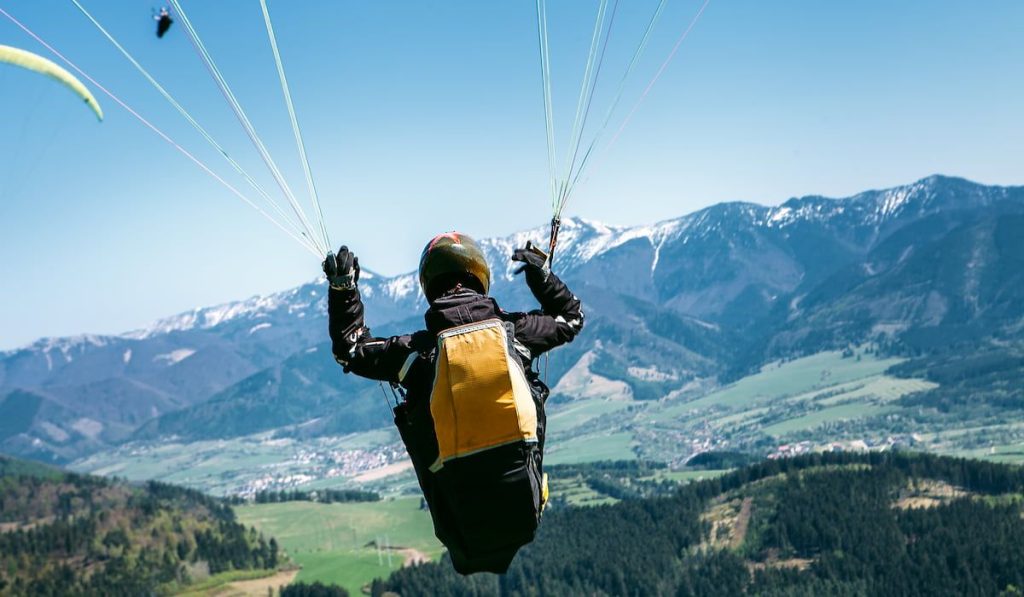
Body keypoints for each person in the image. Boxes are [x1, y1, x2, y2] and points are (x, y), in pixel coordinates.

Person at [324, 232, 584, 574]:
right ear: (480, 278)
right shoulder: (516, 334)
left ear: (430, 286)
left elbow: (351, 349)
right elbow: (571, 318)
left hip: (461, 522)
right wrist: (542, 276)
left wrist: (343, 288)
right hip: (523, 506)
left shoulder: (418, 354)